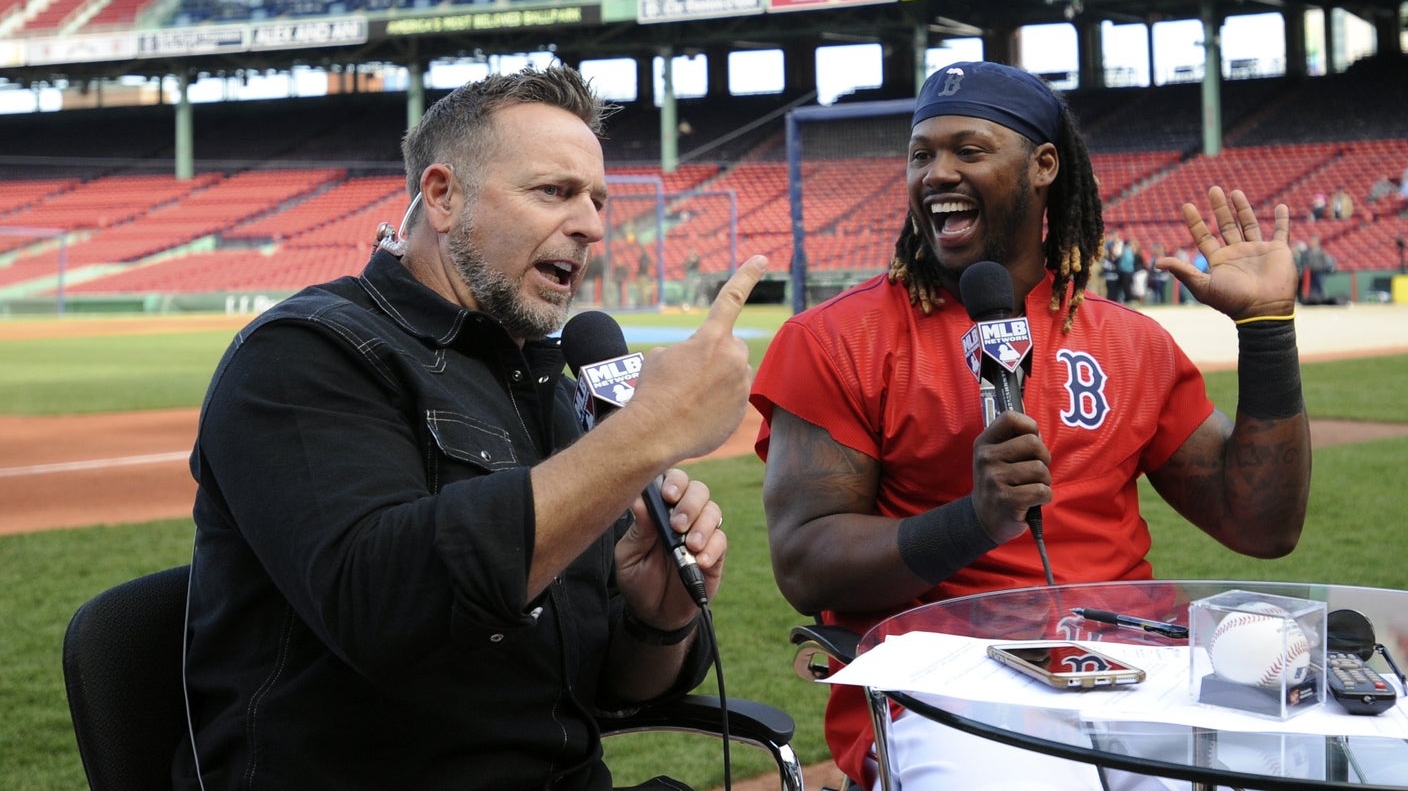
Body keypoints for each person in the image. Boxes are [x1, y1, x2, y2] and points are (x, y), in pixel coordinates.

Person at [177, 65, 768, 791]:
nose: (590, 223)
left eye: (597, 199)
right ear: (443, 195)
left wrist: (659, 618)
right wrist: (644, 433)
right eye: (554, 191)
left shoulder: (543, 384)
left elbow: (613, 685)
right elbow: (382, 605)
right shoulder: (304, 354)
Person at [749, 61, 1310, 791]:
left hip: (1136, 665)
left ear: (1044, 165)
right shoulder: (837, 338)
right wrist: (974, 521)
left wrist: (1266, 330)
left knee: (1289, 768)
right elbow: (803, 560)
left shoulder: (1128, 341)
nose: (935, 174)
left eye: (968, 150)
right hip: (947, 679)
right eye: (921, 155)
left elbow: (1262, 525)